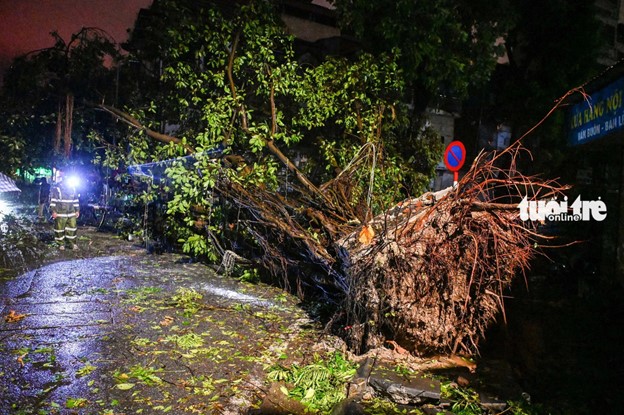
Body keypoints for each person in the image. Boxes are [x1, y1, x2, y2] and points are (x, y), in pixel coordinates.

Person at [49, 171, 80, 250]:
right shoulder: (57, 189)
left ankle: (72, 243)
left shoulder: (73, 188)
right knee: (59, 229)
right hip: (60, 213)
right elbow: (53, 201)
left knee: (72, 228)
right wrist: (53, 212)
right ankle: (61, 244)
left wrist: (77, 210)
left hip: (71, 213)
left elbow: (75, 200)